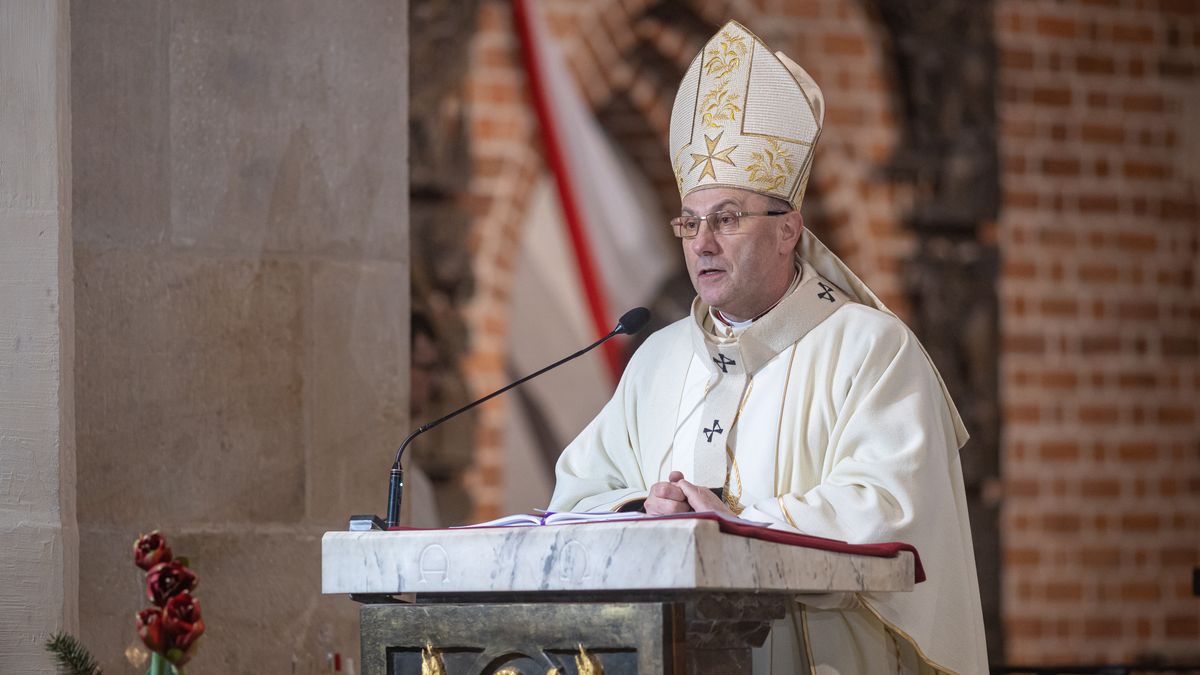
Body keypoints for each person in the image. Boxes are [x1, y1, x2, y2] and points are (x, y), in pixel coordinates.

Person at [549, 20, 988, 674]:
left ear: (789, 230)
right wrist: (646, 511)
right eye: (689, 221)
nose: (701, 243)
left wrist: (736, 526)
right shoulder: (658, 361)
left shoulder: (871, 350)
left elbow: (890, 508)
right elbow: (573, 499)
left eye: (726, 218)